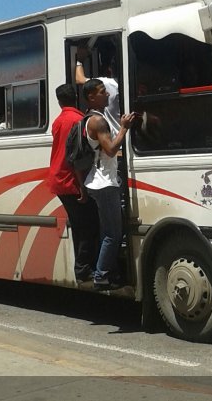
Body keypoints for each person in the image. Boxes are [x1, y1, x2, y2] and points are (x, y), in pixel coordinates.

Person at [82, 78, 136, 290]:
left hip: (100, 181)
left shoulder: (94, 118)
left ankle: (105, 271)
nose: (107, 95)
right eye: (102, 92)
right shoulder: (98, 121)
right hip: (103, 183)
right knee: (113, 233)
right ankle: (101, 275)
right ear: (91, 97)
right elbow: (111, 150)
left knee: (108, 232)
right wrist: (123, 128)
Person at [48, 84, 99, 284]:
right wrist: (83, 187)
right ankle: (84, 269)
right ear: (76, 97)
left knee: (79, 224)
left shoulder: (58, 121)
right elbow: (78, 156)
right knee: (88, 225)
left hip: (58, 178)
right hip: (72, 180)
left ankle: (83, 267)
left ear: (59, 101)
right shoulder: (79, 121)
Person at [75, 43, 120, 131]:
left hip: (114, 137)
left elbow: (79, 79)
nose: (107, 94)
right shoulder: (124, 85)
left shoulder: (108, 83)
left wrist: (79, 60)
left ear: (110, 69)